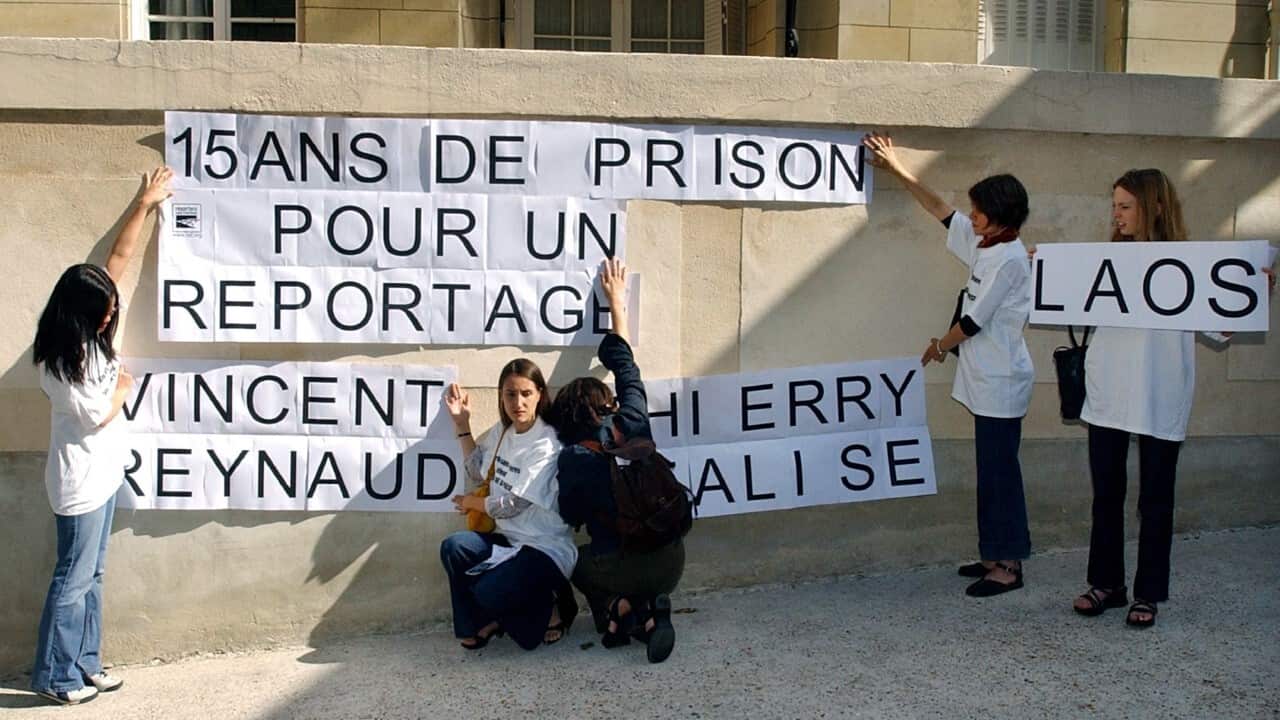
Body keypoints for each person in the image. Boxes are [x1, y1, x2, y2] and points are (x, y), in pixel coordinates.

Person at [1071, 168, 1276, 628]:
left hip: (1161, 392)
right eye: (1114, 206)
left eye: (1125, 205)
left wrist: (1252, 295)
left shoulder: (1191, 263)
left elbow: (1218, 329)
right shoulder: (1103, 260)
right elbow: (1062, 297)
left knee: (1156, 499)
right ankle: (1106, 583)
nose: (1116, 214)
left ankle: (1148, 592)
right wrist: (1042, 271)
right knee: (1106, 493)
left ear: (1154, 206)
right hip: (1108, 391)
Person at [862, 133, 1034, 597]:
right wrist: (897, 169)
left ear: (998, 220)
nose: (971, 215)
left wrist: (939, 346)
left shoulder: (1012, 261)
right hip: (984, 380)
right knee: (990, 470)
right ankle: (992, 554)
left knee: (1000, 473)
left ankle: (1009, 566)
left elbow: (973, 323)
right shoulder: (986, 244)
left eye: (979, 211)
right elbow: (939, 209)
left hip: (1002, 381)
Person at [30, 167, 173, 705]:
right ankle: (55, 676)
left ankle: (85, 663)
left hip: (103, 475)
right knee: (72, 579)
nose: (113, 310)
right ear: (82, 315)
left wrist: (145, 201)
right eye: (106, 309)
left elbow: (117, 260)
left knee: (93, 575)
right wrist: (127, 384)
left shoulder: (85, 334)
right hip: (79, 483)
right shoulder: (62, 362)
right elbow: (96, 415)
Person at [550, 258, 683, 664]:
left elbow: (569, 518)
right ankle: (641, 616)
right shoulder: (634, 421)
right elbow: (627, 369)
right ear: (606, 405)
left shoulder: (574, 458)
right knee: (626, 566)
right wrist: (617, 306)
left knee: (571, 559)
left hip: (620, 566)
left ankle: (616, 609)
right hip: (672, 561)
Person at [439, 359, 578, 650]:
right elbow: (477, 471)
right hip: (509, 541)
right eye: (510, 394)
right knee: (454, 547)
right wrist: (462, 424)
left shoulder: (547, 444)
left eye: (526, 393)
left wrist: (471, 502)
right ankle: (477, 624)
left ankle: (555, 606)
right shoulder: (503, 432)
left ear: (540, 393)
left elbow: (513, 505)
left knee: (491, 593)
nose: (518, 402)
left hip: (545, 548)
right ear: (501, 397)